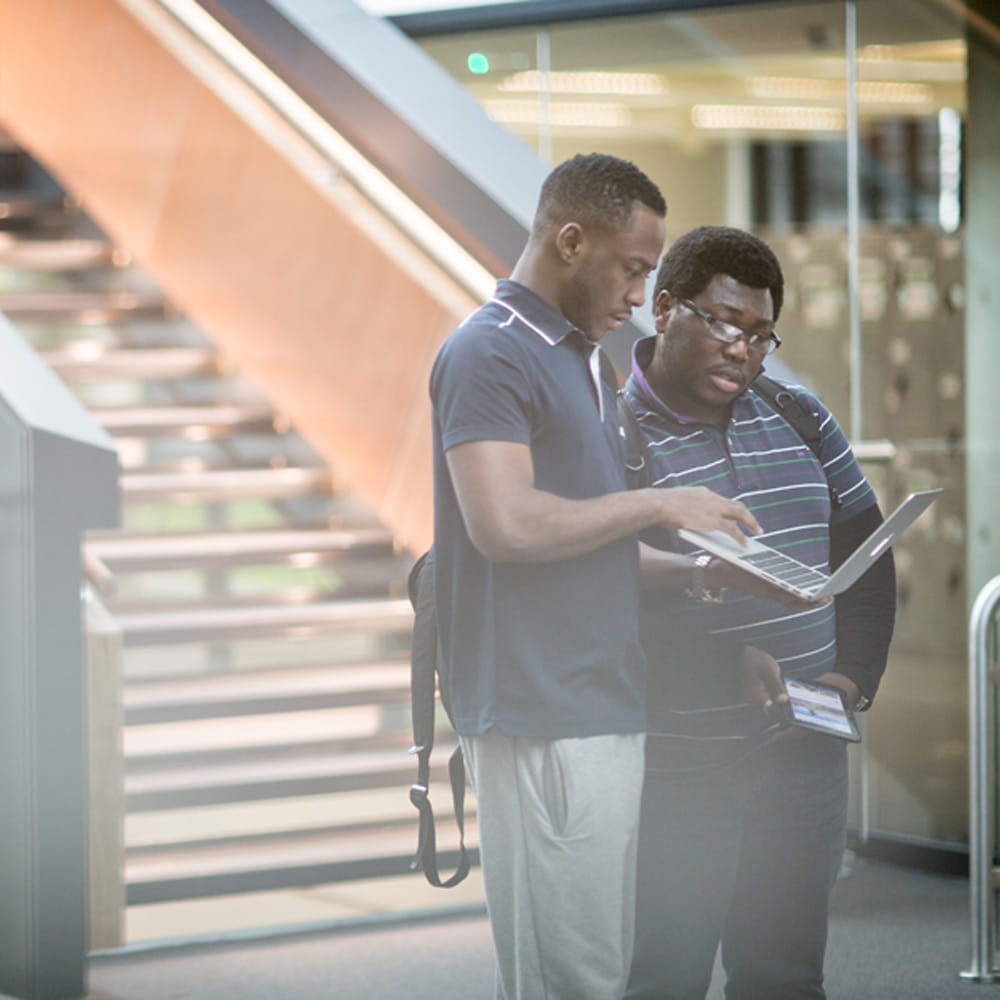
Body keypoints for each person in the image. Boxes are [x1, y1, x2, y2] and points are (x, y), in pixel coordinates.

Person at [430, 157, 762, 1000]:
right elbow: (505, 526)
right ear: (571, 241)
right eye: (634, 268)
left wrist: (700, 573)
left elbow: (583, 544)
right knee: (569, 978)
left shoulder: (586, 362)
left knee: (601, 972)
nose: (639, 294)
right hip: (541, 711)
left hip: (603, 702)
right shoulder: (488, 353)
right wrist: (659, 500)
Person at [623, 226, 897, 1000]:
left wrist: (848, 683)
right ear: (665, 307)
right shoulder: (616, 440)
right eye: (720, 323)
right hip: (681, 766)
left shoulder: (800, 415)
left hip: (803, 761)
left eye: (759, 334)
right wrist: (718, 666)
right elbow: (607, 604)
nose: (740, 350)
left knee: (785, 978)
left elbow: (871, 565)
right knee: (663, 978)